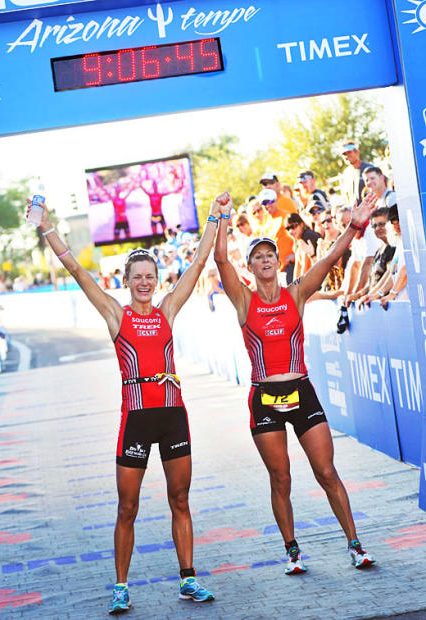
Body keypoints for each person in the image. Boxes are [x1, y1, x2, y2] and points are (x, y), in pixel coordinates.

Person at [26, 195, 222, 614]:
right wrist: (46, 227)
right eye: (138, 278)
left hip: (173, 415)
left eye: (150, 276)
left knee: (180, 500)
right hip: (135, 419)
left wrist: (213, 215)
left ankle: (188, 578)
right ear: (128, 280)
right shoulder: (117, 315)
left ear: (157, 279)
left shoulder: (168, 309)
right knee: (127, 507)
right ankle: (120, 586)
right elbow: (76, 270)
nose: (145, 283)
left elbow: (199, 261)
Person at [214, 190, 378, 575]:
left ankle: (355, 545)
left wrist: (354, 226)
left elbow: (329, 258)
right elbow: (220, 259)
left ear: (277, 260)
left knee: (326, 473)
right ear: (250, 266)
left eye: (270, 255)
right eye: (258, 256)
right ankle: (292, 551)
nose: (265, 260)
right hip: (264, 397)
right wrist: (221, 218)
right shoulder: (243, 300)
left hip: (301, 391)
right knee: (281, 478)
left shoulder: (296, 293)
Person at [285, 213, 321, 279]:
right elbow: (298, 268)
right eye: (288, 228)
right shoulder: (298, 240)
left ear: (301, 224)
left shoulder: (307, 236)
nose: (291, 231)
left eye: (293, 226)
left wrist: (301, 284)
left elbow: (306, 266)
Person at [341, 141, 373, 206]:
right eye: (344, 154)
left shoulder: (369, 168)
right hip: (354, 210)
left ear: (357, 152)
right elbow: (346, 195)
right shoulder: (346, 173)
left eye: (349, 152)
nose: (347, 156)